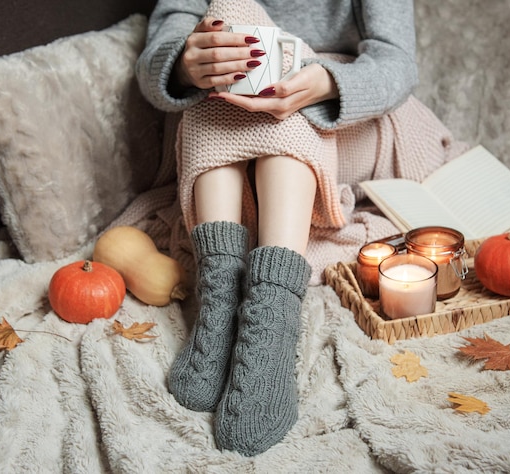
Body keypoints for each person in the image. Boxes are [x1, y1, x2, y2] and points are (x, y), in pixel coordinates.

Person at [136, 0, 418, 457]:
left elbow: (398, 62)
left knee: (268, 80)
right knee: (234, 12)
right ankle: (221, 299)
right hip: (222, 111)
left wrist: (325, 80)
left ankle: (272, 317)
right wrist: (187, 64)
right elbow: (157, 54)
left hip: (340, 111)